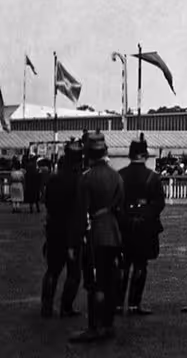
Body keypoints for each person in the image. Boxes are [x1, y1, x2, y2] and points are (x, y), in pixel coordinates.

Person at [69, 131, 125, 343]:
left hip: (96, 234)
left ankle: (94, 326)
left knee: (94, 283)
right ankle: (108, 324)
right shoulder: (116, 176)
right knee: (110, 281)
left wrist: (74, 243)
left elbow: (80, 214)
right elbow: (121, 210)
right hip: (114, 233)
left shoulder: (87, 178)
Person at [118, 134, 165, 315]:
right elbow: (158, 204)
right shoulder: (152, 178)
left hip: (125, 226)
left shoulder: (120, 175)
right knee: (140, 266)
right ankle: (134, 304)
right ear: (145, 155)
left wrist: (127, 218)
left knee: (123, 265)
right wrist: (144, 217)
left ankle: (117, 302)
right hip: (145, 227)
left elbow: (116, 203)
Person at [41, 139, 84, 319]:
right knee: (74, 273)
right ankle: (66, 307)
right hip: (71, 230)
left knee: (52, 270)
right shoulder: (79, 181)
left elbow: (47, 202)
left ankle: (47, 307)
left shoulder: (53, 179)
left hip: (54, 228)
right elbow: (80, 209)